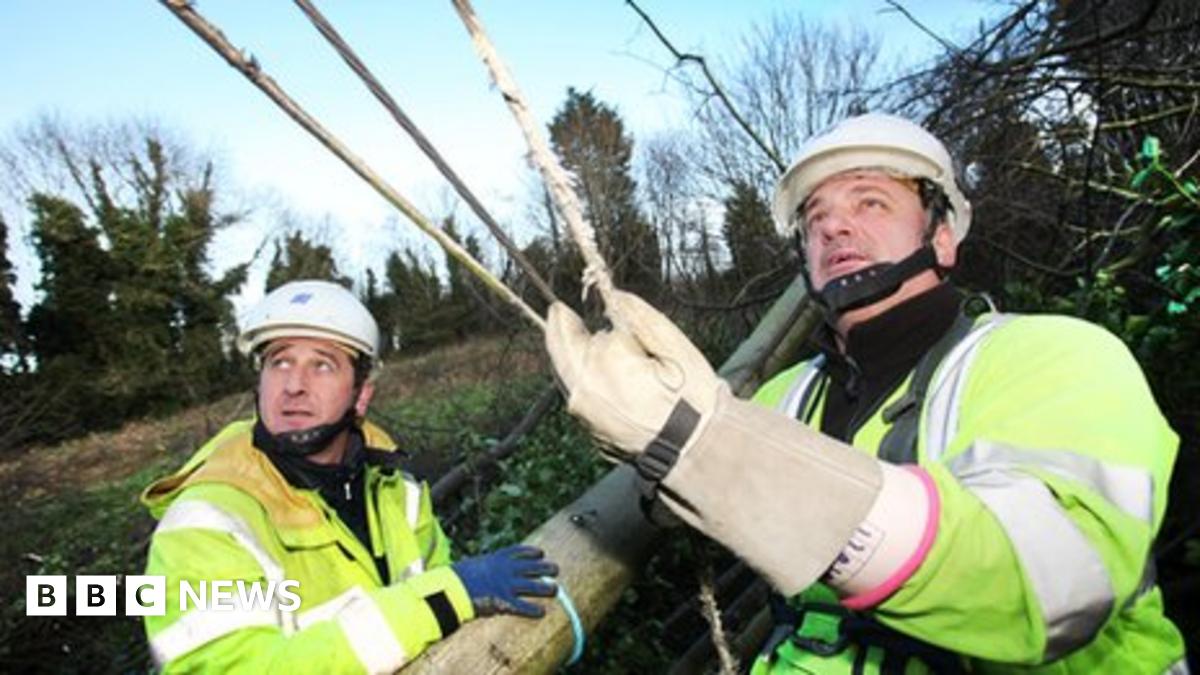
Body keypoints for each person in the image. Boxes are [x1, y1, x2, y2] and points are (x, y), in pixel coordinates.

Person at [545, 113, 1187, 673]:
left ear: (942, 236)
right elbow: (689, 492)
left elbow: (1054, 585)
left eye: (870, 203)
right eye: (815, 217)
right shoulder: (787, 394)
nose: (832, 229)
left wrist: (705, 446)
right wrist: (646, 433)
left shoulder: (1057, 356)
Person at [141, 279, 558, 672]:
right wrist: (444, 599)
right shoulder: (207, 521)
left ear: (361, 396)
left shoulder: (400, 492)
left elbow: (437, 595)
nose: (293, 385)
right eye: (279, 361)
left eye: (321, 365)